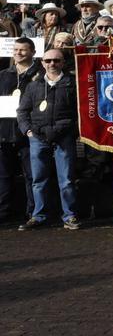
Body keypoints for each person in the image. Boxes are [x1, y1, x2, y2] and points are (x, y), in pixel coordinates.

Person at [16, 48, 80, 230]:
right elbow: (22, 111)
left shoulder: (72, 84)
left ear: (63, 63)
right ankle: (39, 216)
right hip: (37, 137)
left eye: (56, 61)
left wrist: (71, 131)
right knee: (38, 179)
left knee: (66, 179)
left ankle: (69, 216)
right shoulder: (33, 86)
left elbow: (80, 112)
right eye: (48, 60)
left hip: (64, 137)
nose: (52, 64)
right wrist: (27, 130)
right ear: (42, 63)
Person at [0, 38, 41, 225]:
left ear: (32, 51)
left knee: (32, 175)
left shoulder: (41, 74)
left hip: (29, 133)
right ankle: (3, 211)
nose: (18, 53)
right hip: (4, 132)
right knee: (3, 175)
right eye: (16, 49)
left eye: (23, 50)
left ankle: (32, 212)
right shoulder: (3, 75)